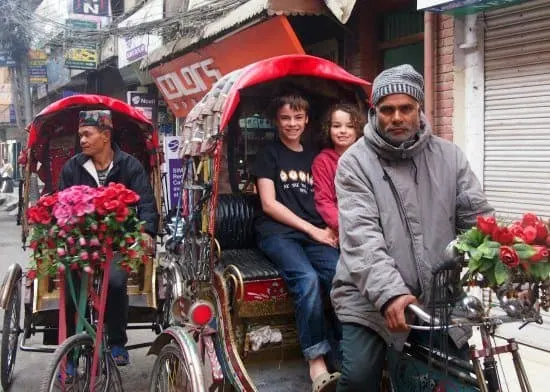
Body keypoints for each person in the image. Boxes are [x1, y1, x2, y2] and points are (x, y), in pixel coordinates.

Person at [331, 65, 494, 391]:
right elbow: (362, 239)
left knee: (455, 380)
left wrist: (504, 259)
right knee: (360, 378)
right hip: (370, 300)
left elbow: (477, 222)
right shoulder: (355, 163)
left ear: (420, 110)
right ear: (373, 112)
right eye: (387, 110)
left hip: (438, 296)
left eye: (406, 108)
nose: (396, 117)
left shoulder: (450, 157)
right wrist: (389, 293)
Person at [251, 94, 341, 392]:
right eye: (286, 118)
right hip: (277, 232)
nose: (292, 123)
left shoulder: (317, 153)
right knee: (307, 278)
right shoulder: (268, 154)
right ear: (277, 121)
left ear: (306, 120)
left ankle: (345, 351)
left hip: (314, 232)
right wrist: (314, 231)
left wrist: (331, 227)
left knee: (344, 277)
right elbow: (269, 204)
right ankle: (316, 358)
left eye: (297, 117)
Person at [58, 110, 159, 366]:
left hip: (118, 241)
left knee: (115, 281)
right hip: (82, 241)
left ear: (105, 136)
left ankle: (116, 341)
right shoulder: (74, 167)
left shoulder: (129, 166)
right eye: (80, 135)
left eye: (87, 134)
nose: (82, 140)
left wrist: (146, 232)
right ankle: (70, 351)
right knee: (71, 286)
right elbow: (61, 204)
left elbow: (146, 201)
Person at [312, 104, 365, 232]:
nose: (343, 131)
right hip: (343, 227)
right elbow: (323, 200)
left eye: (350, 126)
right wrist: (344, 227)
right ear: (328, 129)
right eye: (336, 126)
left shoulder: (367, 158)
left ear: (358, 130)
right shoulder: (322, 161)